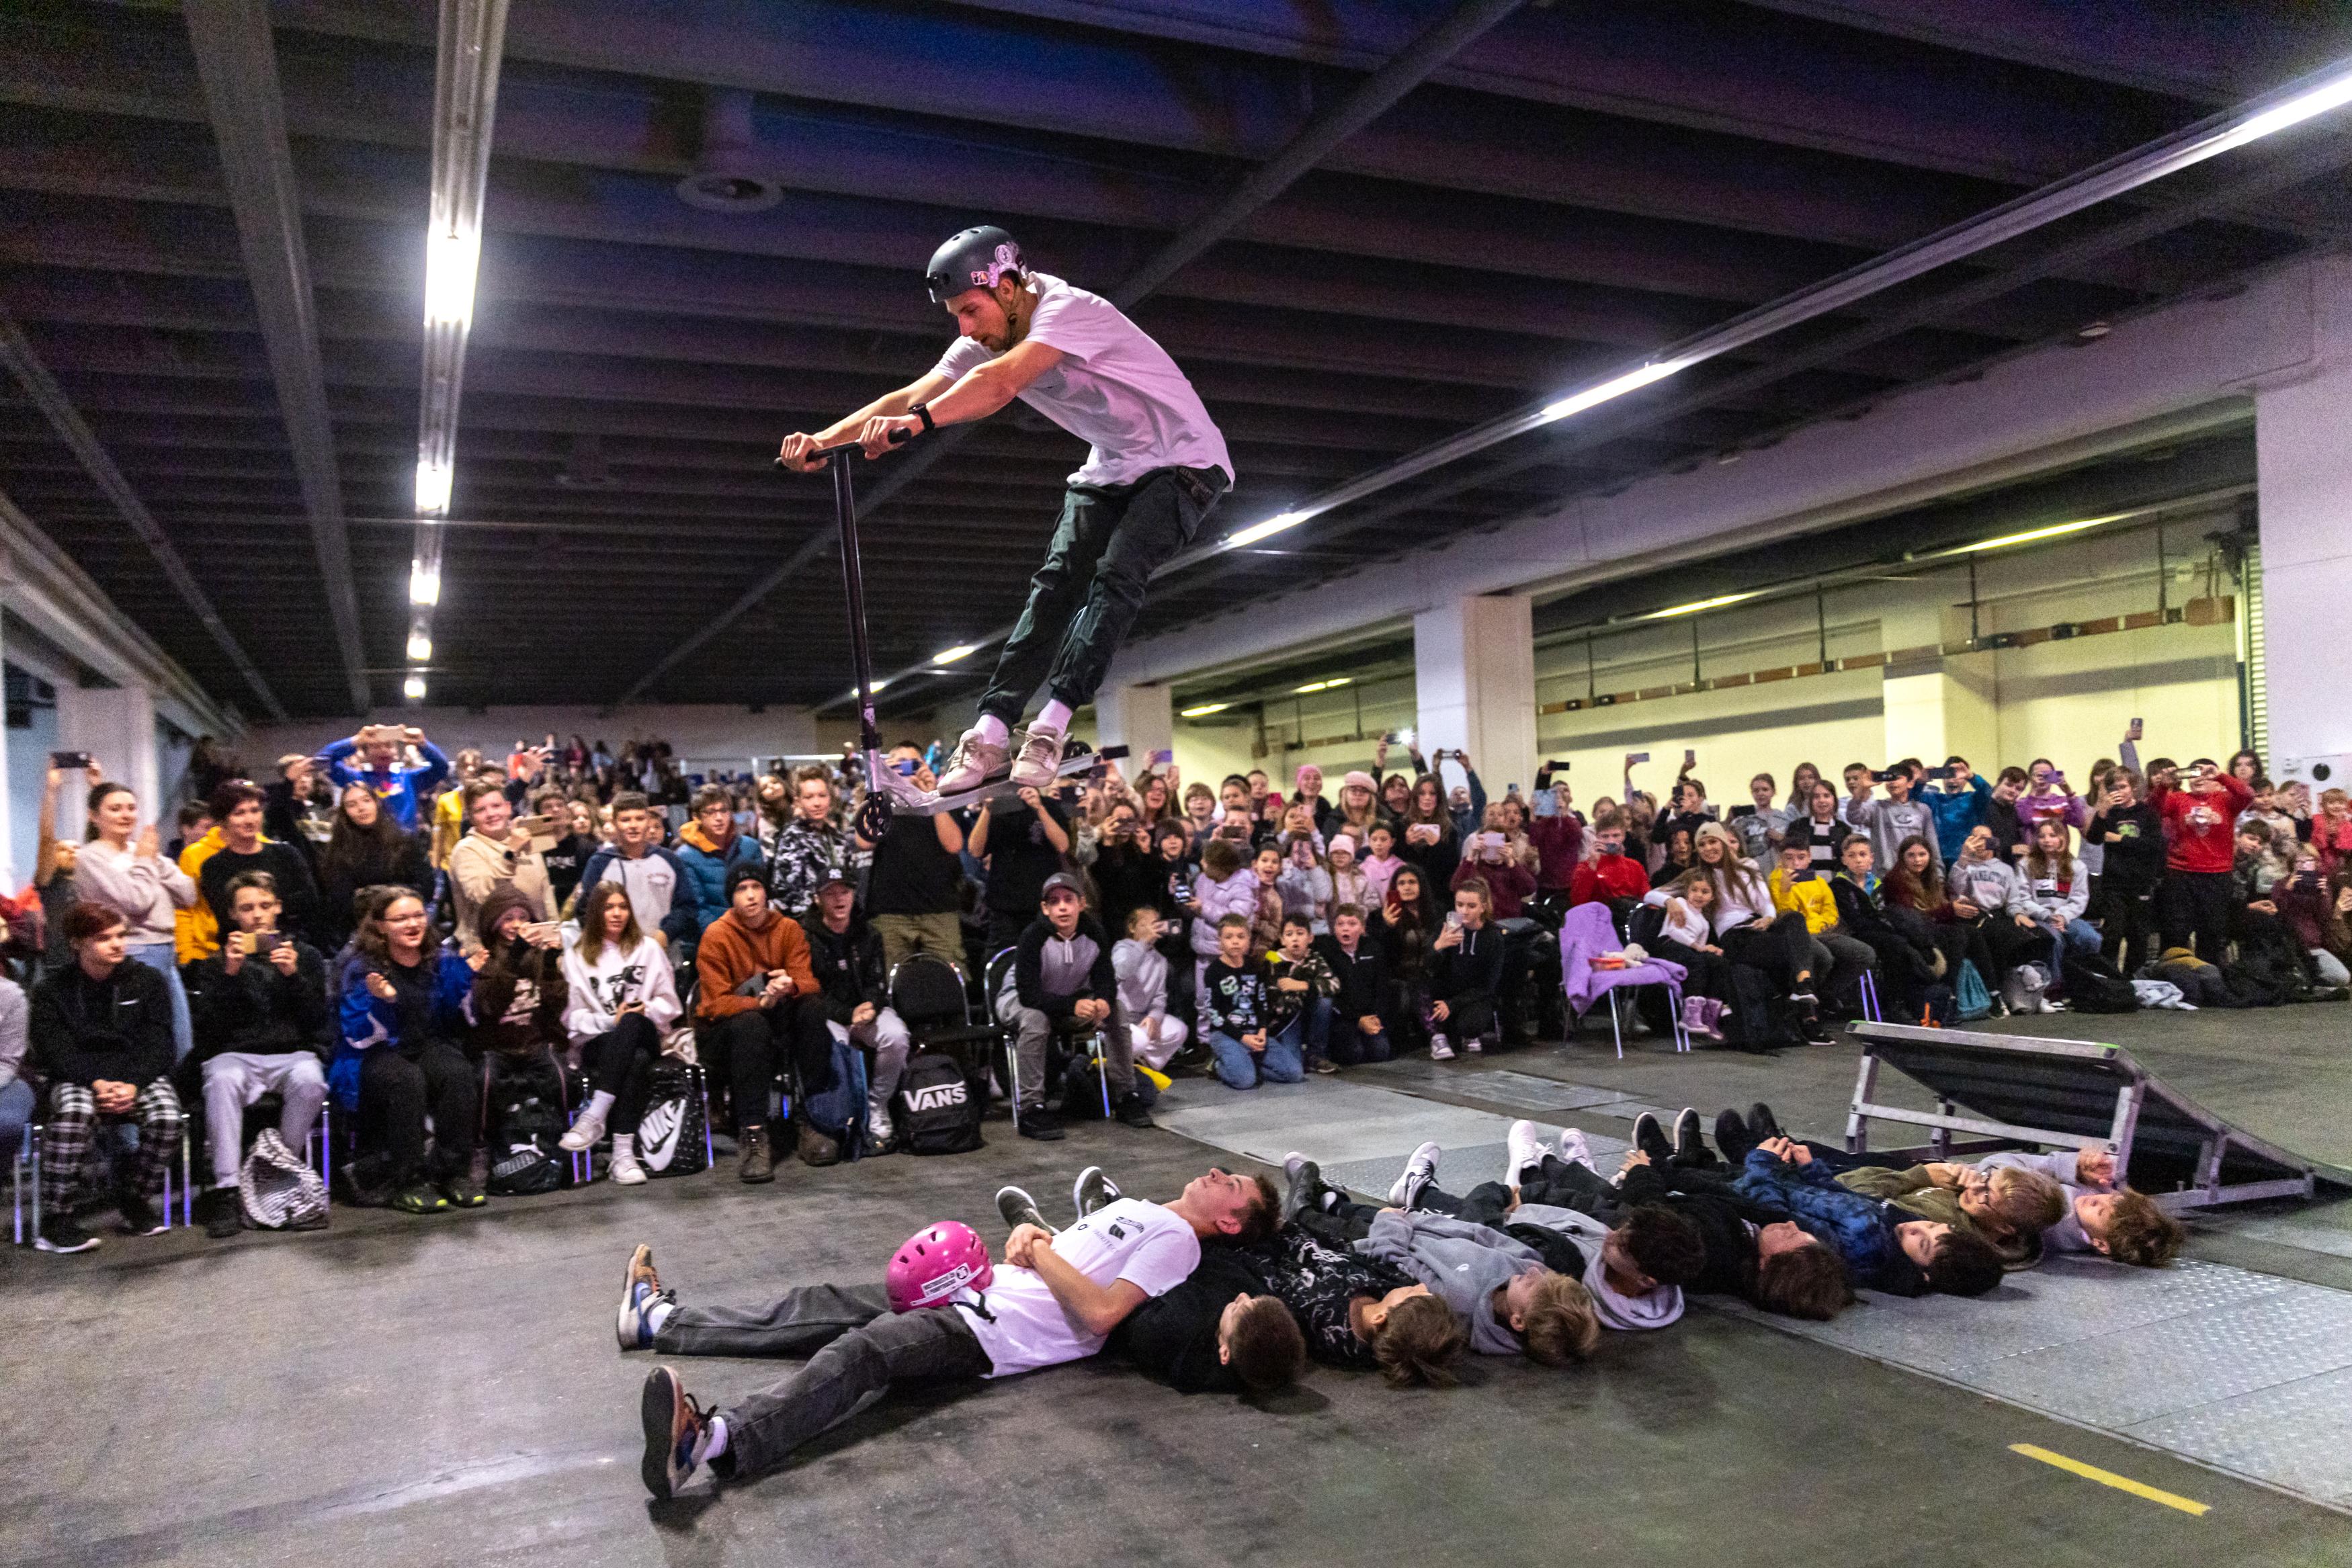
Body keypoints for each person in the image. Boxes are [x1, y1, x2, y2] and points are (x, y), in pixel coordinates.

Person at [781, 226, 1230, 797]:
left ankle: (1053, 724)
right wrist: (823, 441)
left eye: (971, 310)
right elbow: (908, 395)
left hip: (1187, 462)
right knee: (1053, 587)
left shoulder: (1068, 311)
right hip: (1115, 465)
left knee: (1115, 577)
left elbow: (998, 385)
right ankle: (991, 728)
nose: (966, 329)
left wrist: (917, 426)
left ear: (1011, 287)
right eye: (956, 317)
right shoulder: (984, 339)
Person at [626, 1168, 1276, 1497]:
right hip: (978, 1287)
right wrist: (1037, 1242)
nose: (1219, 1175)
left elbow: (1103, 1315)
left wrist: (1036, 1247)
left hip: (993, 1332)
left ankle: (713, 1444)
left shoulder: (1177, 1246)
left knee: (865, 1351)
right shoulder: (1140, 1211)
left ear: (1229, 1223)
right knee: (825, 1304)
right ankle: (661, 1322)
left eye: (1234, 1186)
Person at [1282, 1162, 1600, 1365]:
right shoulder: (1533, 1273)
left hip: (1380, 1247)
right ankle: (1334, 1200)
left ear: (1518, 1321)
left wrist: (1394, 1223)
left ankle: (1305, 1210)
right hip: (1426, 1228)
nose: (1533, 1272)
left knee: (1344, 1225)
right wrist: (1420, 1218)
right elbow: (1484, 1234)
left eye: (1533, 1283)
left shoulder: (1459, 1305)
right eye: (1542, 1275)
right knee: (1363, 1212)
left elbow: (1394, 1264)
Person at [1372, 1139, 1697, 1336]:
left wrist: (1501, 1195)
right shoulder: (1646, 1255)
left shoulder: (1564, 1274)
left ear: (1647, 1279)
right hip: (1517, 1217)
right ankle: (1534, 1167)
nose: (1612, 1235)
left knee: (1454, 1217)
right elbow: (1589, 1207)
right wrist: (1526, 1193)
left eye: (1622, 1245)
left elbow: (1482, 1231)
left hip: (1463, 1234)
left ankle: (1421, 1192)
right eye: (1623, 1229)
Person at [26, 902, 187, 1252]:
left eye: (120, 936)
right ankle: (56, 1218)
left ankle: (134, 1197)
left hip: (135, 1075)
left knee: (169, 1119)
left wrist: (133, 1084)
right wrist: (97, 1083)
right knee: (74, 1114)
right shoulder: (52, 989)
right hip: (79, 1076)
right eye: (104, 938)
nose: (117, 945)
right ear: (77, 943)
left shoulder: (148, 981)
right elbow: (54, 1050)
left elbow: (160, 1044)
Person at [183, 871, 332, 1237]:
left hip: (292, 1053)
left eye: (266, 906)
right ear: (234, 915)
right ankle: (228, 1188)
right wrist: (230, 975)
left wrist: (293, 976)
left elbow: (317, 1021)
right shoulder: (216, 962)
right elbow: (210, 1030)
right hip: (235, 1055)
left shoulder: (306, 956)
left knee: (312, 1082)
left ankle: (279, 1172)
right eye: (247, 909)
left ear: (278, 908)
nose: (258, 916)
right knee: (222, 1081)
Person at [333, 887, 480, 1214]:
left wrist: (467, 979)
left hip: (424, 1044)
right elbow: (356, 1035)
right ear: (381, 926)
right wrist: (381, 1000)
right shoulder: (362, 968)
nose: (413, 924)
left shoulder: (438, 959)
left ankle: (453, 1173)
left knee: (457, 1072)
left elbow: (453, 1017)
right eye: (401, 919)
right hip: (372, 1054)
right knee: (407, 1080)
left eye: (418, 916)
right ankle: (409, 1180)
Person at [694, 867, 830, 1182]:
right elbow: (715, 1003)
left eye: (756, 886)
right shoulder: (717, 935)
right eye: (742, 888)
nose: (751, 895)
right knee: (751, 1024)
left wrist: (789, 986)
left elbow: (809, 981)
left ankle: (813, 1118)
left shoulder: (788, 929)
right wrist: (760, 1002)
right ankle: (753, 1134)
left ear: (767, 892)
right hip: (724, 1031)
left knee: (812, 1008)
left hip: (775, 1018)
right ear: (732, 897)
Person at [560, 881, 683, 1187]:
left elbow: (671, 1005)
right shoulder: (577, 957)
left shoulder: (649, 949)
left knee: (632, 1022)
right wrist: (608, 1021)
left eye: (622, 907)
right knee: (635, 1058)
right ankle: (623, 1154)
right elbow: (572, 1018)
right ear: (595, 913)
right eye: (608, 907)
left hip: (647, 1033)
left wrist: (643, 1011)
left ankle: (595, 1116)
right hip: (600, 1042)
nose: (617, 914)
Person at [72, 771, 199, 1061]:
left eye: (131, 808)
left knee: (181, 1038)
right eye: (115, 809)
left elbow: (188, 894)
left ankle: (172, 1099)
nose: (126, 815)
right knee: (147, 1036)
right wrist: (145, 860)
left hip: (167, 948)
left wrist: (153, 862)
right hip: (135, 949)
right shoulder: (91, 857)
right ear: (94, 816)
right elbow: (136, 902)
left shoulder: (140, 850)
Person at [804, 873, 912, 1147]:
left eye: (845, 892)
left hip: (865, 1011)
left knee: (897, 1036)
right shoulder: (806, 936)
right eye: (831, 893)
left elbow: (878, 981)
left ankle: (878, 1105)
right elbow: (811, 990)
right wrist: (846, 1015)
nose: (839, 898)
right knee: (836, 1046)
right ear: (818, 899)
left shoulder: (869, 933)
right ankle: (845, 1115)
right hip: (829, 1014)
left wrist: (870, 1007)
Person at [860, 745, 969, 974]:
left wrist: (932, 796)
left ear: (925, 767)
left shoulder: (942, 799)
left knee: (948, 978)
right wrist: (880, 787)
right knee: (895, 981)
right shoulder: (883, 803)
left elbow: (954, 845)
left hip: (938, 907)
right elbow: (864, 841)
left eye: (913, 764)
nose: (906, 770)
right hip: (892, 910)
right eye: (899, 764)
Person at [193, 780, 325, 960]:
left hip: (291, 947)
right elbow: (229, 918)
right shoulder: (213, 866)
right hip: (239, 954)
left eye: (255, 811)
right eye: (239, 813)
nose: (250, 820)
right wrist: (274, 907)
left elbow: (310, 903)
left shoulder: (287, 854)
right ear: (223, 821)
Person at [315, 781, 433, 953]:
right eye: (352, 805)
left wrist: (373, 896)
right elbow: (341, 903)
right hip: (363, 936)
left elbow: (426, 887)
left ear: (376, 802)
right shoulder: (337, 853)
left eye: (366, 800)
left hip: (408, 925)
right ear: (345, 813)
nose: (361, 808)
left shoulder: (405, 842)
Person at [2153, 760, 2253, 959]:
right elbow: (2153, 810)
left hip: (2217, 875)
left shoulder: (2226, 800)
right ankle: (2177, 977)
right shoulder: (2178, 798)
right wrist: (2163, 785)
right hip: (2181, 875)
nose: (2198, 778)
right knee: (2176, 932)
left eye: (2204, 774)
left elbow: (2248, 794)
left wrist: (2221, 775)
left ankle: (2209, 981)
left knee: (2212, 934)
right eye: (2194, 773)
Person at [448, 778, 556, 956]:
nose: (491, 814)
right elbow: (484, 895)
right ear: (471, 817)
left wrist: (554, 931)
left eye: (496, 806)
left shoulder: (527, 839)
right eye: (481, 810)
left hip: (535, 946)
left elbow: (545, 893)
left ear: (508, 808)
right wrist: (511, 851)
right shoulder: (465, 850)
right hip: (488, 952)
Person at [580, 792, 698, 954]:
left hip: (662, 952)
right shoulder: (600, 863)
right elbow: (585, 910)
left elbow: (686, 907)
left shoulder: (670, 860)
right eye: (625, 820)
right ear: (614, 823)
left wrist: (666, 933)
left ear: (648, 821)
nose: (633, 825)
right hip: (615, 955)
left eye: (640, 819)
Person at [971, 783, 1073, 956]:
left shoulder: (1048, 805)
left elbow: (1062, 845)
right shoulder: (998, 808)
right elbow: (975, 850)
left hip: (1041, 904)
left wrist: (1040, 808)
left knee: (1046, 959)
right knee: (1002, 962)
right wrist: (988, 809)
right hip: (1003, 906)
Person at [1200, 912, 1293, 1090]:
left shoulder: (1254, 966)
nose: (1235, 942)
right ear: (1220, 941)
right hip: (1227, 1034)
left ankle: (1249, 1064)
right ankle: (1218, 1066)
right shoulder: (1214, 971)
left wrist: (1262, 1031)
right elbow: (1214, 1014)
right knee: (1245, 1082)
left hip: (1255, 1033)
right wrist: (1242, 1038)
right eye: (1229, 937)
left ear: (1249, 940)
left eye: (1241, 937)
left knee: (1293, 1073)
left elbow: (1262, 1002)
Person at [319, 722, 450, 832]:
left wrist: (423, 745)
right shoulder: (354, 779)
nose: (383, 750)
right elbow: (323, 761)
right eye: (375, 746)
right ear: (365, 755)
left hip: (406, 849)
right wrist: (355, 741)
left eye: (389, 745)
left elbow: (442, 768)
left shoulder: (410, 779)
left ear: (396, 753)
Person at [675, 784, 768, 937]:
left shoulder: (750, 847)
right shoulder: (685, 856)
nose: (719, 818)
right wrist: (726, 938)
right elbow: (697, 908)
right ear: (696, 817)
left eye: (724, 811)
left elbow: (762, 895)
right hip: (713, 938)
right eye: (710, 812)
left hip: (754, 933)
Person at [2021, 820, 2102, 990]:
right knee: (2054, 940)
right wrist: (2047, 916)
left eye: (2052, 835)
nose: (2047, 840)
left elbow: (2080, 899)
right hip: (2039, 917)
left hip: (2067, 917)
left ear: (2063, 838)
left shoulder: (2077, 866)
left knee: (2091, 938)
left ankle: (2081, 982)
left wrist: (2062, 916)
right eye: (2042, 836)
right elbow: (2023, 898)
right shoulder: (2025, 864)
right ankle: (2054, 988)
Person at [765, 767, 851, 923]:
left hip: (839, 924)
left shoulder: (837, 836)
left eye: (822, 796)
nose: (817, 803)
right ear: (798, 801)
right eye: (809, 797)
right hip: (807, 927)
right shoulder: (791, 837)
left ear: (830, 798)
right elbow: (785, 895)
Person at [1314, 903, 1392, 1066]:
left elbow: (1382, 987)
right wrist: (1357, 1020)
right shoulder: (1326, 952)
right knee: (1354, 1053)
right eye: (1340, 924)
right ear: (1334, 928)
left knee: (1381, 1052)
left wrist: (1376, 1016)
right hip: (1343, 1018)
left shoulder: (1373, 949)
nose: (1345, 929)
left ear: (1362, 929)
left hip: (1370, 1015)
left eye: (1352, 924)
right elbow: (1331, 994)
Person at [1111, 904, 1185, 1071]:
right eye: (1146, 924)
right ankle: (1116, 1060)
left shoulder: (1160, 960)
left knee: (1179, 1030)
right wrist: (1143, 943)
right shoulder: (1122, 947)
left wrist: (1154, 1017)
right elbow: (1123, 971)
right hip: (1118, 1019)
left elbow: (1159, 997)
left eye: (1156, 923)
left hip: (1141, 1019)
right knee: (1140, 1040)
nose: (1153, 928)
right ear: (1132, 927)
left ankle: (1141, 1066)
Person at [1845, 765, 1940, 875]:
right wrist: (1861, 789)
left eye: (1898, 778)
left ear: (1910, 783)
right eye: (1889, 779)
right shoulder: (1877, 808)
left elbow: (1932, 845)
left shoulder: (1922, 810)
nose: (1892, 782)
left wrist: (1939, 876)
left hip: (1916, 875)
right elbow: (1854, 817)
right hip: (1885, 875)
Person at [1568, 812, 1649, 908]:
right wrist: (1592, 866)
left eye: (1616, 836)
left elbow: (1646, 899)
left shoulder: (1635, 867)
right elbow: (1578, 903)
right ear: (1597, 837)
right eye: (1605, 836)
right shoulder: (1585, 867)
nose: (1611, 841)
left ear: (1623, 836)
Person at [1726, 772, 1790, 863]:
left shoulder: (1783, 818)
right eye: (1756, 790)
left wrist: (1782, 839)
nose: (1761, 793)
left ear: (1773, 791)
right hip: (1750, 867)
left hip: (1776, 867)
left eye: (1765, 789)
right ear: (1752, 793)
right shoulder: (1743, 818)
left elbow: (1792, 845)